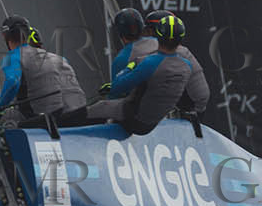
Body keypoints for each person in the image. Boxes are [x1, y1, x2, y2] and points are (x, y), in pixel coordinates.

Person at [79, 13, 209, 136]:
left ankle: (65, 131)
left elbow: (119, 87)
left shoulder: (144, 60)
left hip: (142, 123)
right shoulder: (185, 62)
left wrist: (130, 69)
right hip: (194, 113)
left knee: (101, 107)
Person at [0, 14, 85, 124]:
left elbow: (12, 82)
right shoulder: (60, 59)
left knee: (9, 117)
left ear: (5, 37)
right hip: (79, 114)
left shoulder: (13, 57)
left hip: (51, 121)